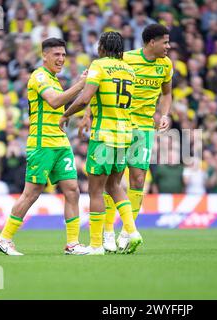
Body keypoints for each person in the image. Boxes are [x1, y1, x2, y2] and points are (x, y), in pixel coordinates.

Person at [79, 24, 172, 253]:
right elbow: (99, 86)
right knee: (114, 180)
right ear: (152, 42)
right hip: (122, 123)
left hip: (144, 129)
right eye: (165, 42)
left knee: (138, 180)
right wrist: (88, 113)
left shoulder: (166, 65)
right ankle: (108, 233)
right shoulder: (126, 60)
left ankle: (126, 233)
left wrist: (165, 114)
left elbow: (167, 93)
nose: (168, 47)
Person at [0, 38, 87, 256]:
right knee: (32, 193)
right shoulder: (40, 76)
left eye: (63, 55)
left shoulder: (56, 80)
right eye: (56, 54)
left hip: (61, 143)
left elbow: (61, 109)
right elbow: (54, 101)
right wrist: (81, 85)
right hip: (42, 143)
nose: (61, 59)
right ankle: (4, 238)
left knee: (73, 190)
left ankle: (73, 243)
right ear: (44, 55)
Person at [59, 31, 142, 255]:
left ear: (102, 48)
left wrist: (66, 114)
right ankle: (132, 231)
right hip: (125, 136)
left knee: (95, 191)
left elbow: (86, 97)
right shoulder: (129, 70)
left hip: (104, 136)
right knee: (115, 186)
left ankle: (96, 245)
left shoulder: (99, 65)